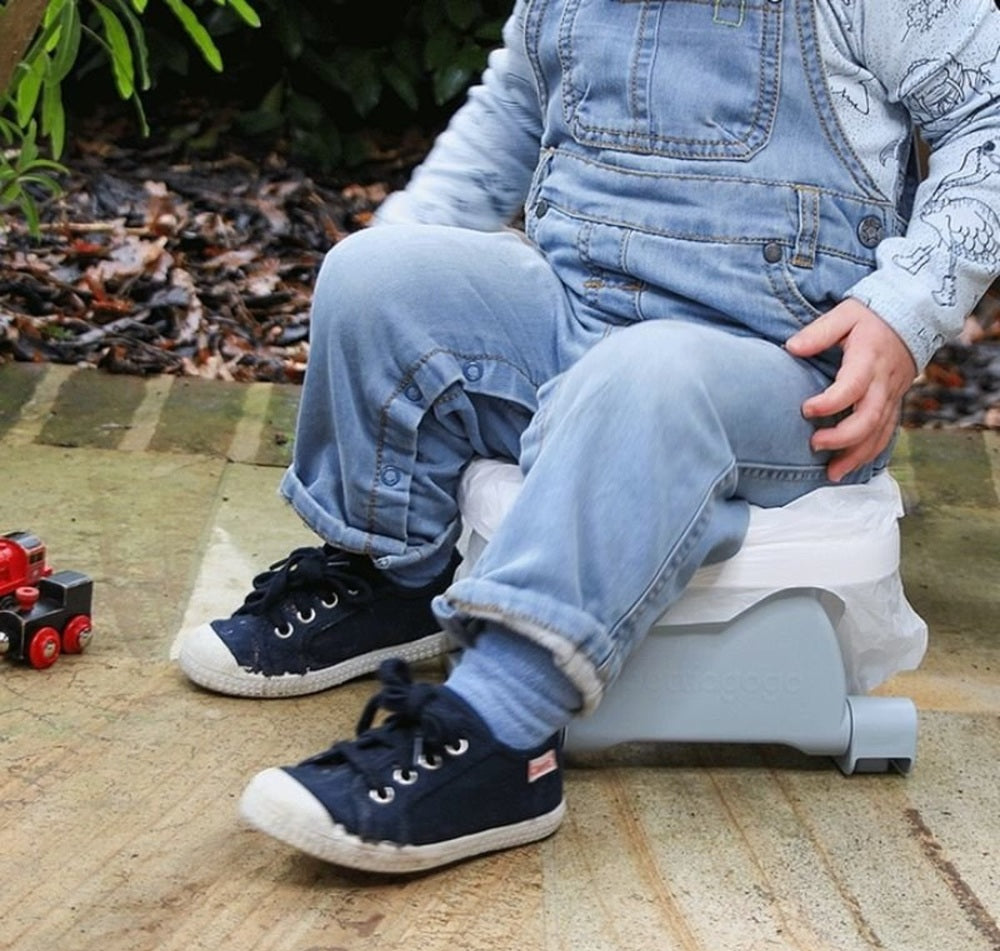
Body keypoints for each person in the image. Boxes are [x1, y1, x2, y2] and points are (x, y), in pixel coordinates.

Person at [177, 0, 1000, 874]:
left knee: (646, 376)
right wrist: (423, 251)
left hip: (788, 374)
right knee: (377, 276)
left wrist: (905, 312)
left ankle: (501, 736)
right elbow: (512, 107)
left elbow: (988, 117)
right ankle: (398, 574)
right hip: (582, 322)